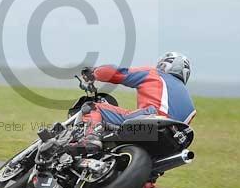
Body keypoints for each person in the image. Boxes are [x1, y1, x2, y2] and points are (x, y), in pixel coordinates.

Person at [68, 52, 196, 156]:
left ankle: (91, 139)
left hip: (151, 119)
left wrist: (94, 72)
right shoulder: (191, 107)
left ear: (165, 64)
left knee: (93, 107)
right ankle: (146, 185)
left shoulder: (155, 74)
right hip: (171, 143)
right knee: (150, 174)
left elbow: (117, 73)